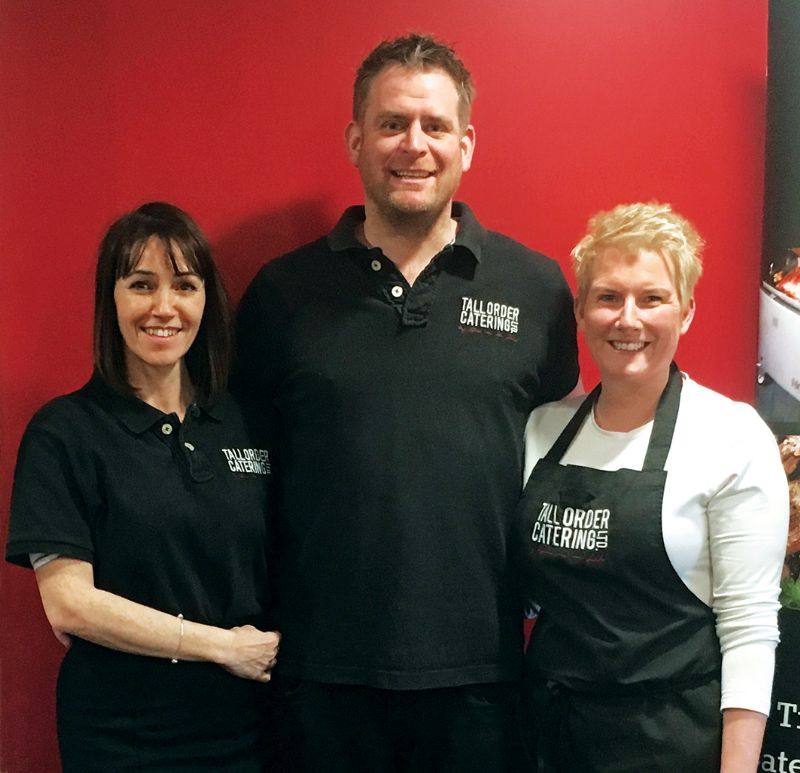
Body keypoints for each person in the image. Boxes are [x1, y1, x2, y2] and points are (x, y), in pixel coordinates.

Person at [235, 33, 579, 772]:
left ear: (468, 143)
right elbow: (244, 476)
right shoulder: (281, 294)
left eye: (434, 125)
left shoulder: (537, 289)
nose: (413, 145)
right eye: (392, 123)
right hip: (318, 677)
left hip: (484, 678)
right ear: (356, 139)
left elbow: (566, 463)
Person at [6, 202, 280, 771]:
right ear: (112, 299)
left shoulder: (247, 421)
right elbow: (70, 607)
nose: (164, 307)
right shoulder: (65, 432)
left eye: (184, 285)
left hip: (246, 730)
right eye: (141, 285)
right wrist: (222, 646)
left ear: (206, 300)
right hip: (121, 737)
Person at [515, 202, 789, 772]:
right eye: (609, 297)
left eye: (653, 298)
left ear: (686, 311)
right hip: (548, 736)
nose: (628, 319)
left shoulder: (731, 437)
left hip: (667, 743)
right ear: (582, 311)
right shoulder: (543, 430)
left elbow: (750, 630)